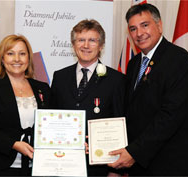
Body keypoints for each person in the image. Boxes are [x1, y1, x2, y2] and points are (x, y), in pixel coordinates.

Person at [108, 3, 188, 176]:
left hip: (172, 165)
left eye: (145, 25)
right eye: (133, 29)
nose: (139, 33)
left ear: (159, 25)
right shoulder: (134, 64)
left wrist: (135, 152)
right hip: (141, 165)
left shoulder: (179, 60)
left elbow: (170, 116)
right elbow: (130, 112)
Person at [51, 19, 126, 176]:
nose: (86, 45)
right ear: (73, 45)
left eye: (92, 40)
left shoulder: (116, 80)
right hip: (62, 164)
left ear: (101, 46)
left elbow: (119, 123)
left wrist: (115, 172)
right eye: (81, 40)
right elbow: (52, 120)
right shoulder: (60, 77)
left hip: (99, 168)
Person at [0, 34, 51, 176]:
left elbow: (54, 123)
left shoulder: (43, 88)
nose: (17, 59)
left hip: (37, 168)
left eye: (22, 54)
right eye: (10, 53)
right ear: (2, 58)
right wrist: (13, 144)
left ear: (29, 58)